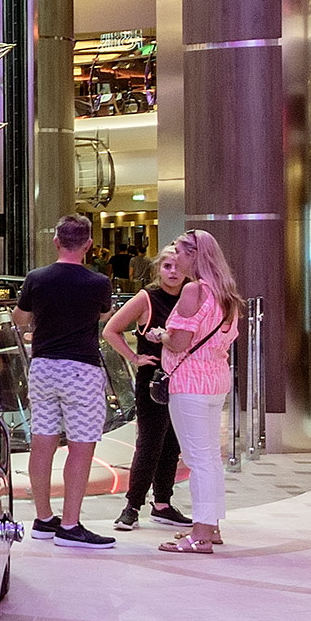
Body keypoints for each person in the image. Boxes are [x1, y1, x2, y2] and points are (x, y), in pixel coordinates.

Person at [14, 215, 117, 548]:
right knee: (81, 446)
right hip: (81, 370)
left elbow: (19, 318)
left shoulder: (36, 278)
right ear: (88, 245)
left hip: (43, 367)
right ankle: (70, 525)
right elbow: (104, 315)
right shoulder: (98, 282)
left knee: (42, 443)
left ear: (56, 241)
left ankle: (43, 519)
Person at [158, 230, 243, 555]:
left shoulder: (193, 290)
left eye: (179, 252)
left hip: (190, 381)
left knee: (197, 459)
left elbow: (180, 342)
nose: (176, 258)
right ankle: (211, 525)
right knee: (209, 457)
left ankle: (201, 534)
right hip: (216, 379)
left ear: (194, 255)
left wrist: (162, 336)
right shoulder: (225, 292)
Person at [102, 249, 193, 533]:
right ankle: (132, 506)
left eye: (178, 267)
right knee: (150, 443)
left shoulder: (190, 297)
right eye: (167, 266)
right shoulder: (147, 298)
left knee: (173, 443)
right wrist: (134, 357)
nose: (173, 272)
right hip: (154, 381)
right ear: (158, 269)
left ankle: (162, 503)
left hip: (184, 379)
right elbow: (111, 330)